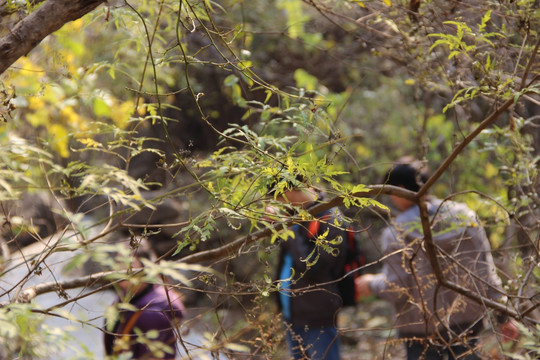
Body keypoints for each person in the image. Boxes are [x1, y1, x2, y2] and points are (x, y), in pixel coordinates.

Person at [355, 157, 518, 360]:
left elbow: (396, 287)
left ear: (400, 188)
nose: (391, 198)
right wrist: (504, 316)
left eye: (390, 191)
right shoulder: (465, 218)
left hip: (420, 333)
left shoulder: (396, 232)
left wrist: (371, 283)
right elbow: (485, 272)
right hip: (468, 326)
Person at [266, 175, 349, 360]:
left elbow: (313, 266)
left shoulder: (330, 217)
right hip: (293, 314)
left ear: (287, 192)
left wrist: (285, 227)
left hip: (317, 314)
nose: (278, 204)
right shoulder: (298, 215)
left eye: (277, 199)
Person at [103, 240, 185, 360]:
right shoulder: (128, 297)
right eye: (118, 262)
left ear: (145, 267)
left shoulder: (152, 314)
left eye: (128, 264)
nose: (120, 269)